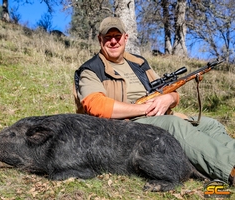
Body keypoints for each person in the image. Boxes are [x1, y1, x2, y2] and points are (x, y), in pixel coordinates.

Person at [73, 16, 235, 185]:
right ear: (100, 39)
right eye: (108, 37)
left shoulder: (139, 62)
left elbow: (171, 92)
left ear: (125, 38)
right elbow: (96, 106)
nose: (113, 41)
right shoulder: (90, 69)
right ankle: (229, 169)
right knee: (174, 125)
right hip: (123, 127)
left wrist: (168, 98)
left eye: (117, 36)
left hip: (156, 114)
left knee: (210, 124)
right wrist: (144, 109)